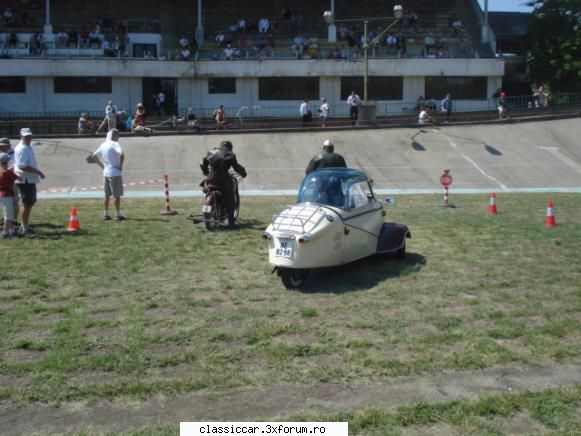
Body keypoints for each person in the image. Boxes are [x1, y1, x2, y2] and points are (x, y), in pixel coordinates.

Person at [200, 141, 247, 229]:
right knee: (230, 200)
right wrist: (243, 172)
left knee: (207, 190)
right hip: (224, 179)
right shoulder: (230, 155)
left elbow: (203, 161)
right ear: (230, 147)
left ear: (220, 146)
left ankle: (208, 209)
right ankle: (231, 223)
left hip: (211, 178)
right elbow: (236, 167)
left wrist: (206, 171)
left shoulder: (211, 152)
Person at [14, 128, 45, 236]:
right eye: (26, 136)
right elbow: (22, 166)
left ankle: (24, 226)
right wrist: (38, 172)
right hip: (25, 180)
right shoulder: (22, 148)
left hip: (29, 179)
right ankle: (24, 227)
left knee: (30, 202)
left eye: (30, 136)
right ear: (21, 136)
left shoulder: (27, 146)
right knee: (27, 203)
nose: (29, 138)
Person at [91, 129, 125, 221]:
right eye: (118, 135)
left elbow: (93, 156)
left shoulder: (103, 144)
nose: (119, 137)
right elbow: (122, 154)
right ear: (113, 135)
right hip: (115, 173)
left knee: (106, 195)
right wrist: (120, 166)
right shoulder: (115, 144)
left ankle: (105, 214)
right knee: (116, 195)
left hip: (106, 173)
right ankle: (117, 214)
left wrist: (103, 166)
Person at [0, 152, 20, 238]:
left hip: (1, 194)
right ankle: (5, 232)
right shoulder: (7, 172)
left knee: (7, 213)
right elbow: (18, 177)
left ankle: (12, 231)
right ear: (6, 162)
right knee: (9, 216)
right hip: (7, 194)